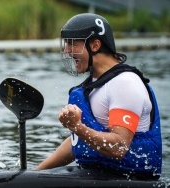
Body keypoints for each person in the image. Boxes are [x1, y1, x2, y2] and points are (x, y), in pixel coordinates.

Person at [36, 13, 162, 180]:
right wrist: (36, 173)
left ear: (95, 45)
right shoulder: (94, 85)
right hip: (96, 175)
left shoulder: (125, 84)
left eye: (73, 43)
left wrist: (78, 127)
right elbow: (77, 142)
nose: (66, 50)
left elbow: (119, 147)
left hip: (128, 179)